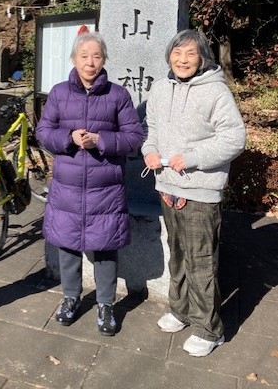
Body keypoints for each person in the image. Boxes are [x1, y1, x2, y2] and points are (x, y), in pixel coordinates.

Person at [142, 29, 246, 357]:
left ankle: (208, 329)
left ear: (202, 58)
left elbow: (234, 139)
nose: (183, 60)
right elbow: (151, 130)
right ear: (169, 56)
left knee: (201, 261)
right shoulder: (160, 88)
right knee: (177, 255)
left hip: (201, 190)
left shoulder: (216, 91)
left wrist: (193, 158)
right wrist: (149, 150)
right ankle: (180, 310)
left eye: (190, 54)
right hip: (167, 186)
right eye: (177, 53)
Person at [36, 30, 144, 336]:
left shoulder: (117, 95)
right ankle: (70, 297)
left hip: (105, 189)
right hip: (67, 187)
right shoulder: (59, 93)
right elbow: (43, 132)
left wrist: (100, 140)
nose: (90, 62)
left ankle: (106, 304)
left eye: (96, 56)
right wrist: (68, 138)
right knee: (67, 244)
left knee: (106, 247)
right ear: (74, 59)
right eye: (84, 56)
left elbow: (134, 137)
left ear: (104, 59)